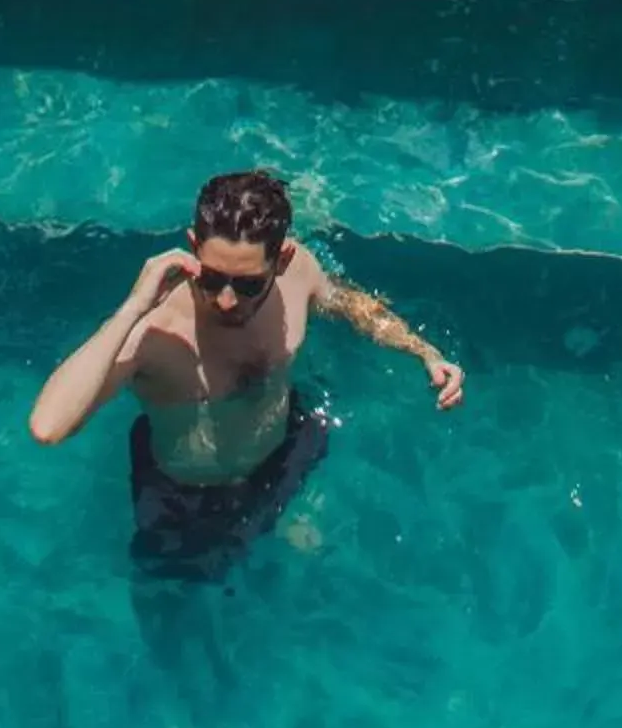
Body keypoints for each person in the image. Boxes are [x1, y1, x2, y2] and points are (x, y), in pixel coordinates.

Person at [29, 168, 464, 574]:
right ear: (192, 247)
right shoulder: (157, 332)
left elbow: (351, 305)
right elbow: (48, 428)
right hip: (188, 492)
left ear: (283, 259)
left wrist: (424, 352)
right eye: (212, 278)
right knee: (174, 595)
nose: (226, 300)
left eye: (249, 283)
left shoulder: (301, 273)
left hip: (284, 448)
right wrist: (133, 307)